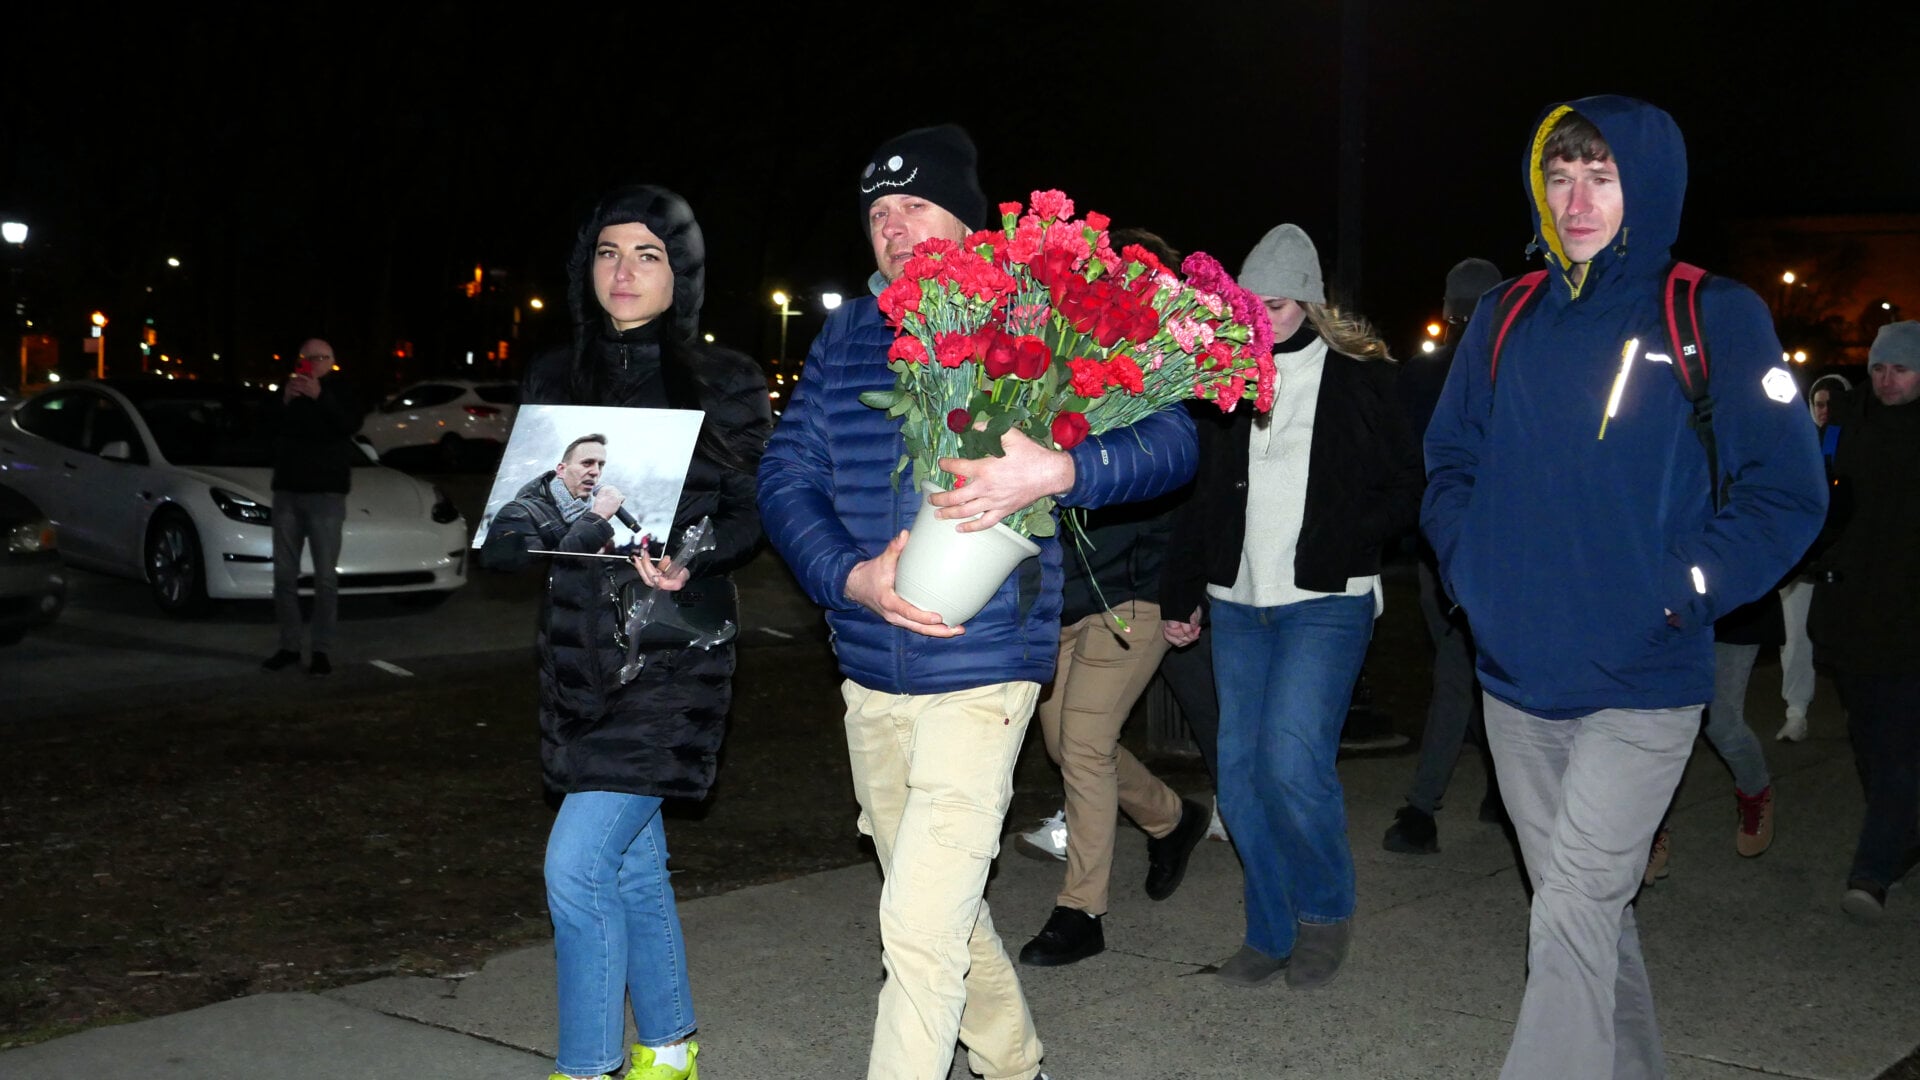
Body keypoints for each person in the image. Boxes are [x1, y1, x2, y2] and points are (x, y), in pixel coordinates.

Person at [756, 123, 1195, 1080]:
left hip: (983, 667)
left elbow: (1173, 445)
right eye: (878, 213)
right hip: (868, 670)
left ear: (965, 216)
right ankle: (1017, 1063)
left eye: (916, 205)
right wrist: (849, 576)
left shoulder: (1038, 318)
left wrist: (1064, 466)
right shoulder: (846, 335)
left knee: (915, 926)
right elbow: (787, 474)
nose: (895, 227)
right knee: (935, 913)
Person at [1420, 96, 1828, 1077]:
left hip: (1644, 681)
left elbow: (1788, 492)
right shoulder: (1508, 316)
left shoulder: (1712, 314)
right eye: (1561, 175)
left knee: (1568, 911)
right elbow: (1449, 462)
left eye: (1601, 175)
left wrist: (1685, 584)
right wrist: (1474, 575)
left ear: (1645, 183)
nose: (1577, 198)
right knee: (1588, 911)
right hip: (1515, 684)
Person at [480, 184, 771, 1080]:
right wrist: (507, 539)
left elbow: (756, 513)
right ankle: (672, 1046)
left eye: (649, 253)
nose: (626, 270)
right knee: (633, 866)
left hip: (673, 651)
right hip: (576, 659)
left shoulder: (724, 377)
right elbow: (518, 526)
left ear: (679, 271)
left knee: (574, 868)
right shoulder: (553, 376)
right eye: (609, 251)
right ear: (586, 267)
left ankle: (587, 1066)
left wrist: (700, 555)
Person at [1161, 223, 1423, 991]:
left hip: (1325, 599)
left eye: (1277, 304)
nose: (1263, 318)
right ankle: (1268, 931)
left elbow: (1409, 485)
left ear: (1309, 303)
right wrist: (1183, 593)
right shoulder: (1221, 380)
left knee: (1293, 760)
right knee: (1239, 776)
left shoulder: (1363, 378)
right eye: (1251, 304)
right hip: (1236, 601)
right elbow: (1198, 499)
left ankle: (1324, 912)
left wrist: (1348, 535)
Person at [1008, 229, 1213, 970]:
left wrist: (1186, 593)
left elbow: (1198, 496)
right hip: (1061, 595)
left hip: (1139, 594)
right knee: (1066, 744)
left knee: (1085, 746)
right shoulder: (1057, 369)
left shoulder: (1168, 378)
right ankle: (1171, 818)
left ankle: (1082, 909)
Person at [1382, 257, 1507, 855]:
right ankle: (1449, 803)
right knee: (1470, 672)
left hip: (1442, 547)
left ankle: (1425, 808)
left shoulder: (1419, 377)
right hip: (1492, 549)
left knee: (1461, 671)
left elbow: (1403, 466)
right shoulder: (1511, 370)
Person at [1808, 321, 1920, 921]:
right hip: (1854, 616)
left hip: (1909, 622)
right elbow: (1825, 508)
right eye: (1879, 368)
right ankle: (1901, 837)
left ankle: (1870, 873)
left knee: (1898, 749)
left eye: (1901, 368)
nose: (1887, 379)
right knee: (1871, 745)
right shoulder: (1850, 429)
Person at [261, 337, 363, 677]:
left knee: (325, 578)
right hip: (288, 491)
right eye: (307, 358)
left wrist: (322, 396)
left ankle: (321, 650)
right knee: (284, 576)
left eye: (320, 357)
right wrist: (285, 401)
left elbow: (349, 424)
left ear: (332, 361)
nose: (313, 363)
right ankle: (289, 646)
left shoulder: (341, 390)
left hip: (326, 495)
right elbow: (264, 429)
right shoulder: (287, 391)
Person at [1776, 370, 1853, 742]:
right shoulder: (1799, 442)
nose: (1824, 410)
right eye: (1818, 403)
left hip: (1846, 559)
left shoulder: (1861, 443)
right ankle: (1796, 711)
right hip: (1804, 556)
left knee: (1848, 636)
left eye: (1831, 404)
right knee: (1795, 637)